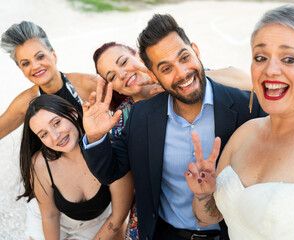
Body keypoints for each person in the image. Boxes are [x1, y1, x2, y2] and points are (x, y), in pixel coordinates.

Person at [81, 13, 266, 240]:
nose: (181, 73)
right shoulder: (139, 116)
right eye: (166, 69)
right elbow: (110, 172)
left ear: (196, 51)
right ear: (154, 74)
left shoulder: (246, 106)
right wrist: (94, 136)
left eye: (184, 57)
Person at [186, 5, 294, 240]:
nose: (270, 70)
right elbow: (208, 218)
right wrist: (203, 195)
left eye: (289, 59)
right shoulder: (245, 133)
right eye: (260, 57)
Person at [19, 94, 133, 239]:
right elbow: (50, 215)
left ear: (72, 112)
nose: (55, 137)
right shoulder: (41, 163)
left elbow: (118, 217)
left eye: (56, 123)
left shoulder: (109, 151)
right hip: (52, 217)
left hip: (97, 220)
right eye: (44, 134)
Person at [93, 41, 252, 141]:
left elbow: (247, 82)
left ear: (140, 56)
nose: (122, 74)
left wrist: (173, 83)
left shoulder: (185, 76)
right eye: (112, 76)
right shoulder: (121, 120)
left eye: (123, 62)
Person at [0, 21, 98, 140]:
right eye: (26, 63)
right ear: (21, 69)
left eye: (40, 57)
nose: (35, 66)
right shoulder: (26, 102)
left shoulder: (88, 84)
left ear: (54, 55)